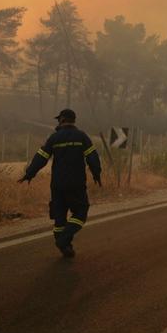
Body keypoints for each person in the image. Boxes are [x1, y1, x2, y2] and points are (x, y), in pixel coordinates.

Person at [18, 109, 102, 258]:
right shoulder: (82, 137)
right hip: (76, 184)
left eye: (59, 120)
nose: (57, 122)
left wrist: (29, 173)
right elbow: (92, 157)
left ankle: (64, 245)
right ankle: (64, 240)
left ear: (63, 119)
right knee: (81, 212)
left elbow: (41, 157)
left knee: (59, 216)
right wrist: (96, 174)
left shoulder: (54, 138)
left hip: (57, 185)